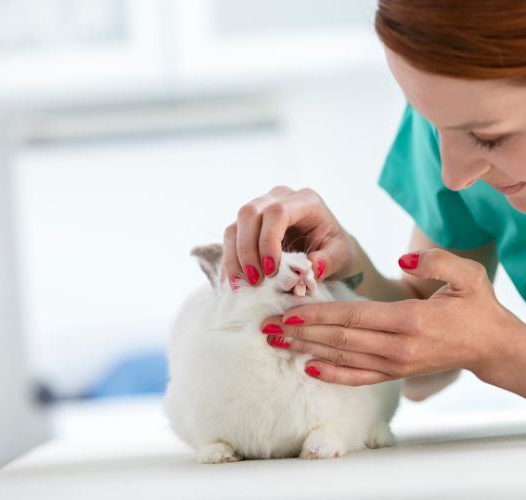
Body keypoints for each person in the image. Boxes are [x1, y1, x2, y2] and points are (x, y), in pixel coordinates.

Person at [222, 0, 526, 400]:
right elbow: (429, 369)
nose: (454, 177)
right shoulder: (453, 120)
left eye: (490, 138)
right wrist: (346, 267)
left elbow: (482, 345)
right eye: (433, 125)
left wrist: (501, 349)